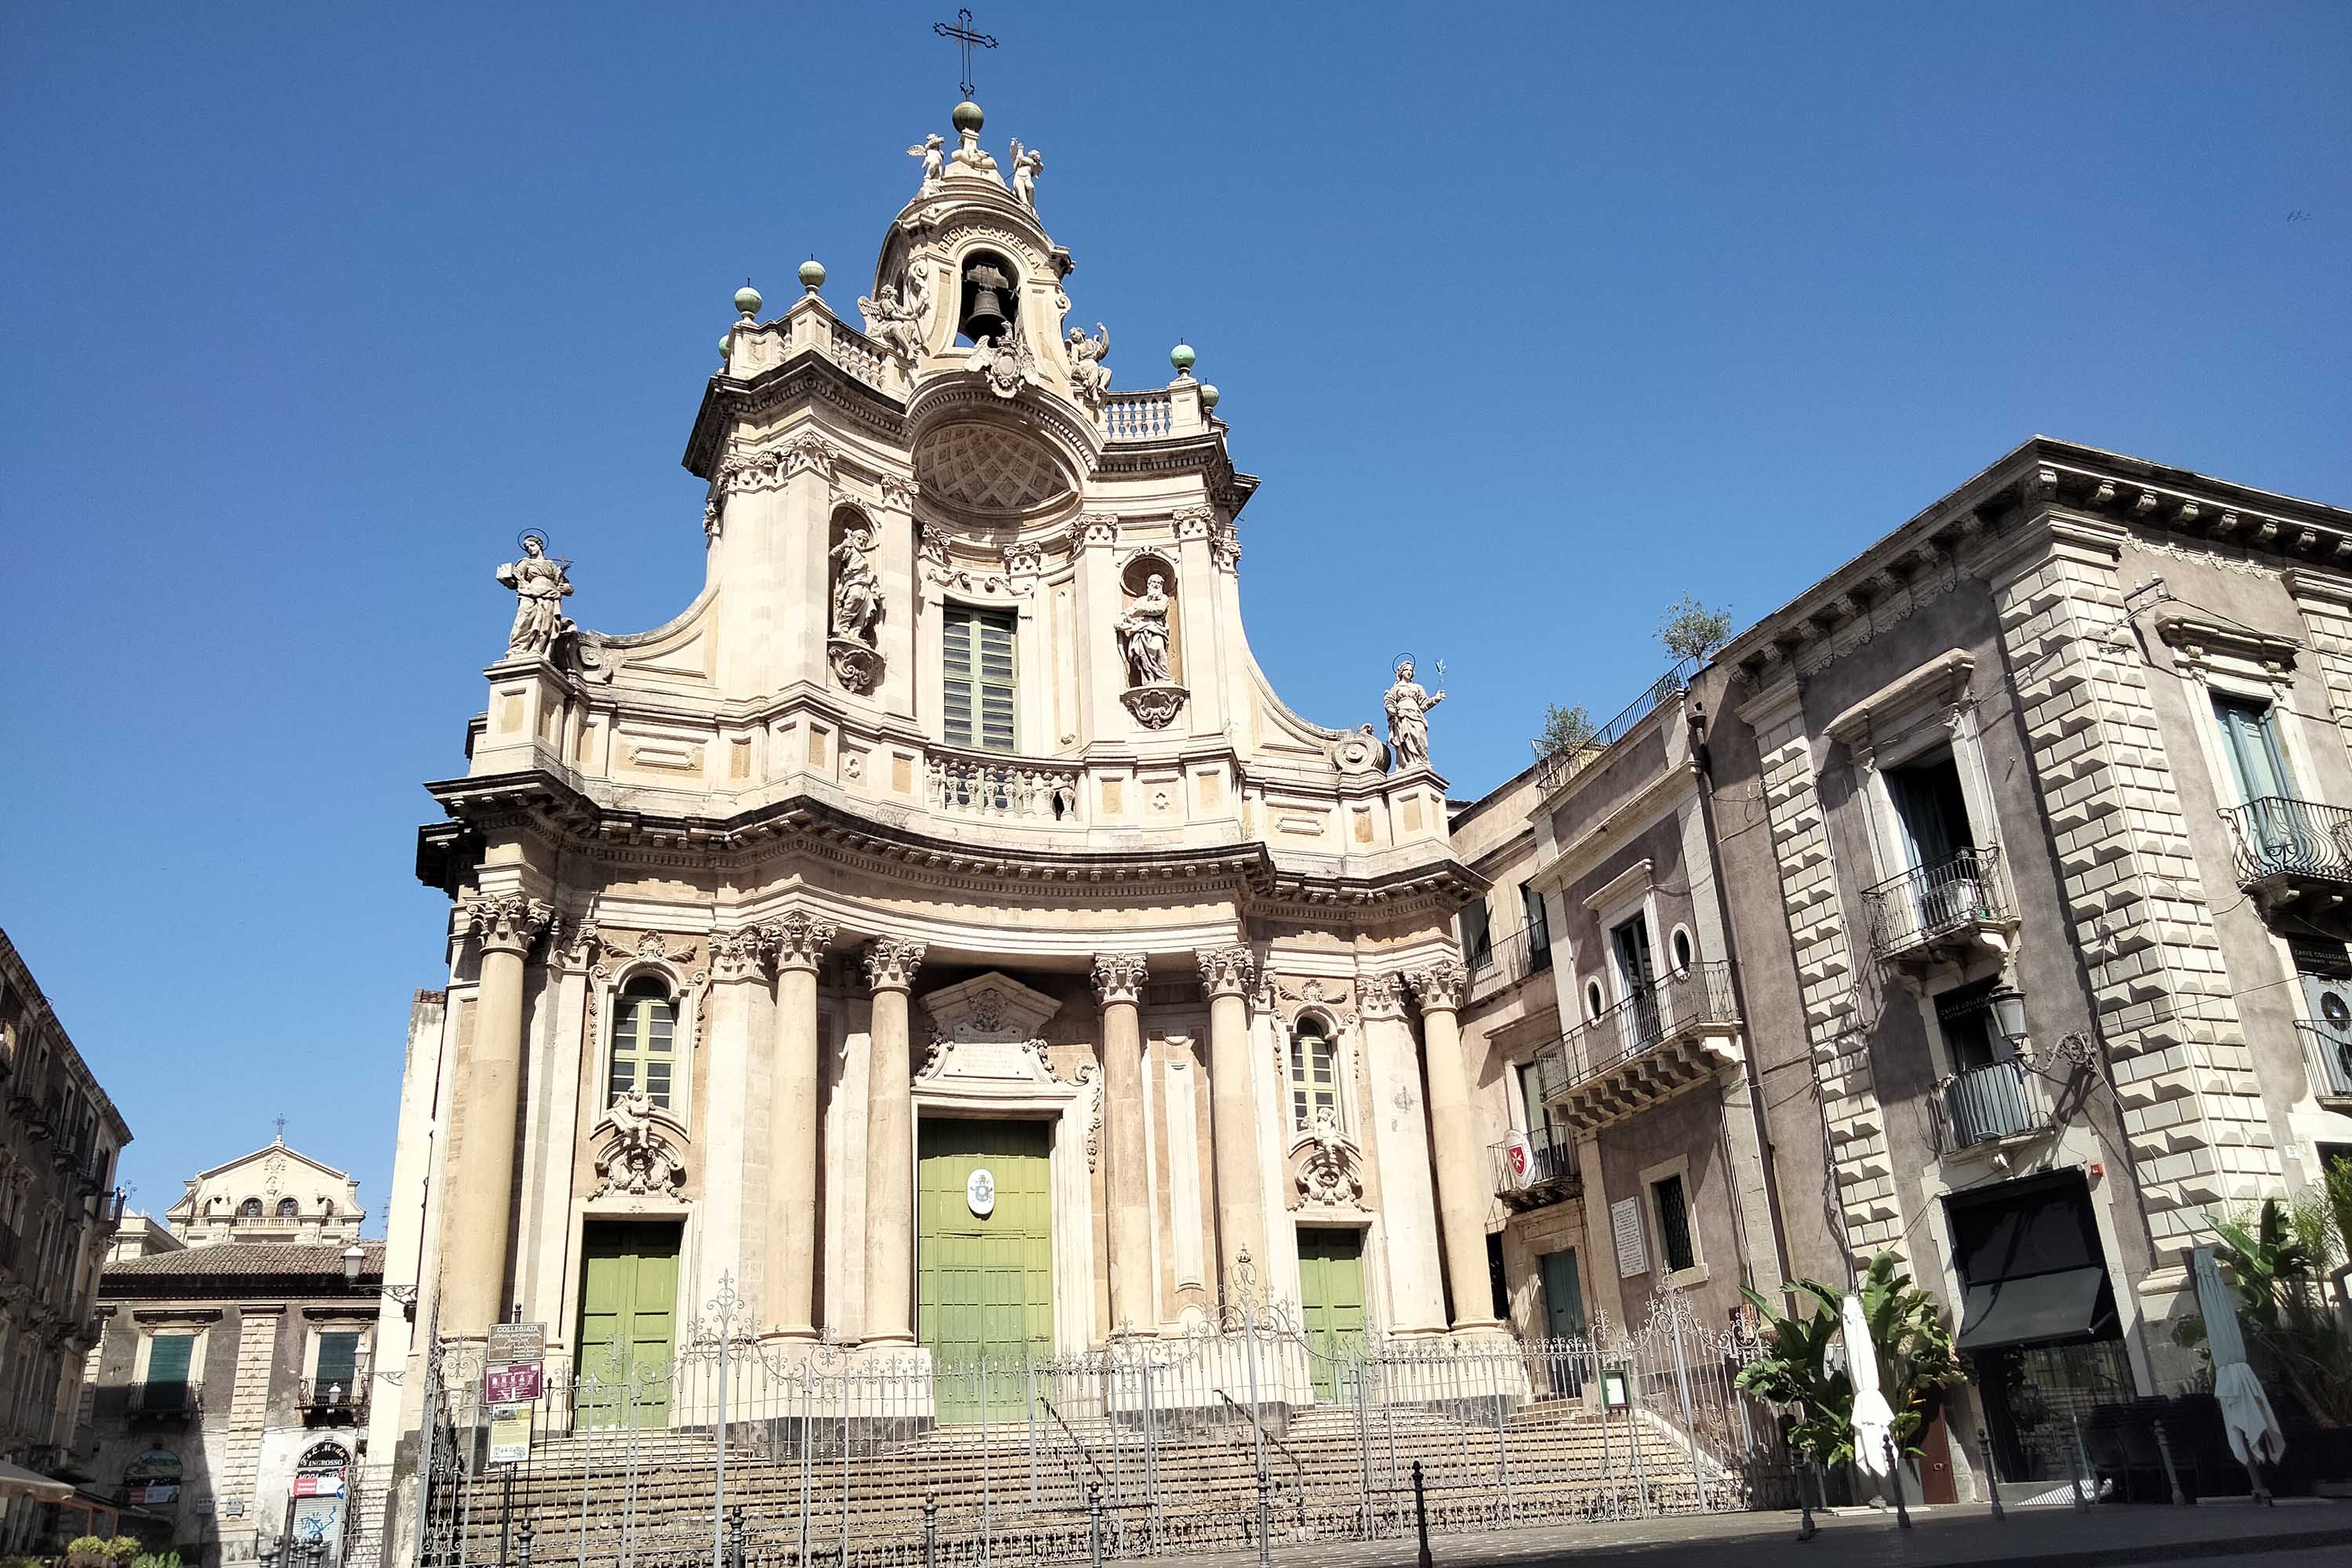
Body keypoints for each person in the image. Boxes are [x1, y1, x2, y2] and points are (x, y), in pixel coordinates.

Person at [496, 534, 572, 656]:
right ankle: (517, 649)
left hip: (550, 594)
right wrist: (505, 578)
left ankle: (538, 648)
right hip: (529, 593)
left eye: (532, 545)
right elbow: (514, 582)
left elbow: (564, 584)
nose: (530, 548)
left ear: (540, 545)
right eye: (527, 547)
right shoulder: (525, 562)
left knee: (545, 624)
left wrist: (567, 588)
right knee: (524, 620)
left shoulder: (551, 565)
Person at [1385, 657, 1445, 767]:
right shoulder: (1395, 688)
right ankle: (1409, 762)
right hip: (1402, 715)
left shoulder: (1417, 687)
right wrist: (1393, 710)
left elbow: (1424, 704)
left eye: (1411, 670)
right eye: (1407, 670)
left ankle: (1422, 761)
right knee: (1406, 737)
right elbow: (1389, 701)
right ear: (1401, 672)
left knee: (1420, 737)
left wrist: (1436, 698)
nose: (1409, 672)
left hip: (1416, 714)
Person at [1116, 573, 1173, 685]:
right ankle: (1148, 679)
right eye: (1153, 582)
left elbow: (1159, 609)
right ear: (1149, 585)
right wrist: (1121, 618)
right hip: (1141, 631)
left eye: (1158, 583)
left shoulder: (1164, 598)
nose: (1156, 585)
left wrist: (1142, 610)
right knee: (1143, 655)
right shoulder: (1141, 600)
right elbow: (1130, 611)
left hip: (1157, 629)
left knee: (1158, 649)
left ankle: (1163, 677)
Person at [831, 528, 883, 644]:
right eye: (859, 539)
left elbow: (870, 575)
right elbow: (833, 555)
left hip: (865, 587)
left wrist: (877, 590)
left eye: (864, 541)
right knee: (854, 598)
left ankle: (854, 633)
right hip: (853, 584)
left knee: (867, 611)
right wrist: (843, 545)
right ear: (853, 538)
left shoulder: (863, 557)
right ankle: (843, 627)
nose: (862, 542)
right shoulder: (850, 550)